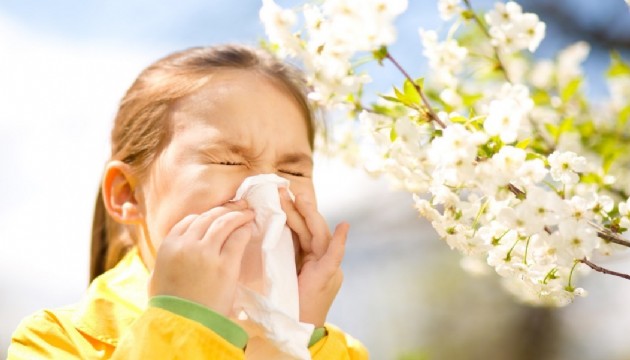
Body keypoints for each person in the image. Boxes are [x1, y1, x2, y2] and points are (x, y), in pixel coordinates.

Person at [8, 44, 368, 359]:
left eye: (293, 171)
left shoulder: (341, 352)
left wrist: (296, 337)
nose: (268, 192)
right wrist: (185, 322)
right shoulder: (52, 342)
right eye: (228, 161)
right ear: (128, 195)